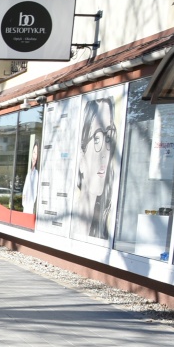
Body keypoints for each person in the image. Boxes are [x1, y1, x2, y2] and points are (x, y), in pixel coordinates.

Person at [74, 97, 118, 241]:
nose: (104, 153)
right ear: (82, 155)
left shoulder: (103, 226)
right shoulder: (73, 223)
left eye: (108, 138)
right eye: (97, 139)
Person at [21, 142, 39, 214]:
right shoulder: (30, 172)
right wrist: (24, 202)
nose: (34, 156)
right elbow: (25, 190)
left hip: (30, 209)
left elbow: (33, 193)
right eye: (34, 152)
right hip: (25, 207)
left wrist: (28, 205)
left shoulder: (36, 173)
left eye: (36, 154)